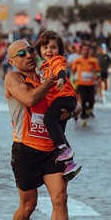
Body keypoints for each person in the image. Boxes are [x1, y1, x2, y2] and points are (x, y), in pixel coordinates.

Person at [4, 39, 82, 220]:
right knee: (28, 206)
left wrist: (70, 110)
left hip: (51, 150)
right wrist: (50, 81)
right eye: (21, 53)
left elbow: (76, 104)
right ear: (13, 61)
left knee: (60, 198)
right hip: (26, 151)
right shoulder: (13, 78)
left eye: (29, 50)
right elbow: (29, 100)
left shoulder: (48, 71)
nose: (28, 55)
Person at [35, 30, 82, 178]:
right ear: (40, 50)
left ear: (59, 50)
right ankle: (69, 164)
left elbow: (61, 71)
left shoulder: (56, 61)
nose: (49, 50)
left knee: (48, 120)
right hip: (61, 100)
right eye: (45, 47)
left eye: (53, 47)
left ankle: (65, 150)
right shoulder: (43, 66)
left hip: (64, 98)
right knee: (58, 134)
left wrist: (61, 79)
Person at [71, 43, 101, 125]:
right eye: (84, 50)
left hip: (91, 84)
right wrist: (73, 79)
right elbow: (73, 71)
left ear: (89, 51)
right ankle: (83, 117)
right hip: (81, 83)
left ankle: (89, 110)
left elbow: (98, 71)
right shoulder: (77, 61)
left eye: (87, 50)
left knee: (91, 101)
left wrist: (97, 78)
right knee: (83, 100)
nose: (85, 52)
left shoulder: (94, 61)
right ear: (81, 51)